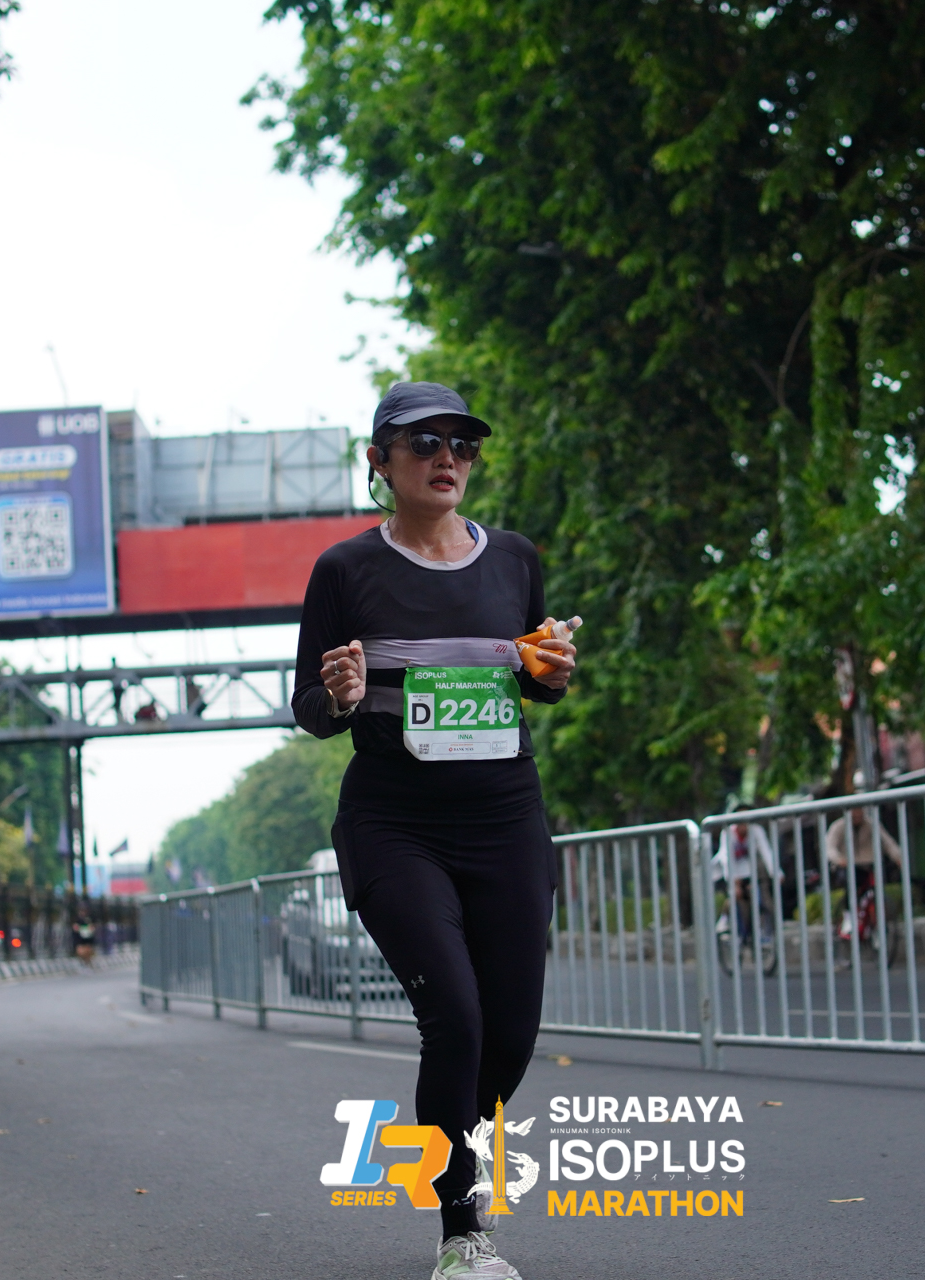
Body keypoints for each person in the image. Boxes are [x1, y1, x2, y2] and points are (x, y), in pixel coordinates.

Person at [295, 381, 575, 1280]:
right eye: (424, 443)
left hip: (505, 818)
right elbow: (309, 708)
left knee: (510, 1036)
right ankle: (462, 1231)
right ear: (379, 461)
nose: (447, 458)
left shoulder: (515, 560)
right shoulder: (345, 571)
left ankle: (447, 1135)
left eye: (463, 444)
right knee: (454, 1017)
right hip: (395, 822)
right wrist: (340, 696)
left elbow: (531, 679)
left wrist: (550, 672)